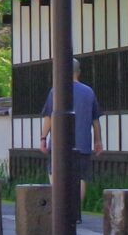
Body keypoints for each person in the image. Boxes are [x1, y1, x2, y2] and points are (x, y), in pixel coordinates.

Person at [36, 57, 97, 211]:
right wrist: (98, 141)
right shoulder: (89, 92)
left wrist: (43, 138)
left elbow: (49, 117)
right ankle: (75, 211)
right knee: (81, 177)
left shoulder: (56, 91)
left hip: (58, 143)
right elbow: (95, 120)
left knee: (55, 174)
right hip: (83, 143)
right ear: (79, 72)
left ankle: (59, 210)